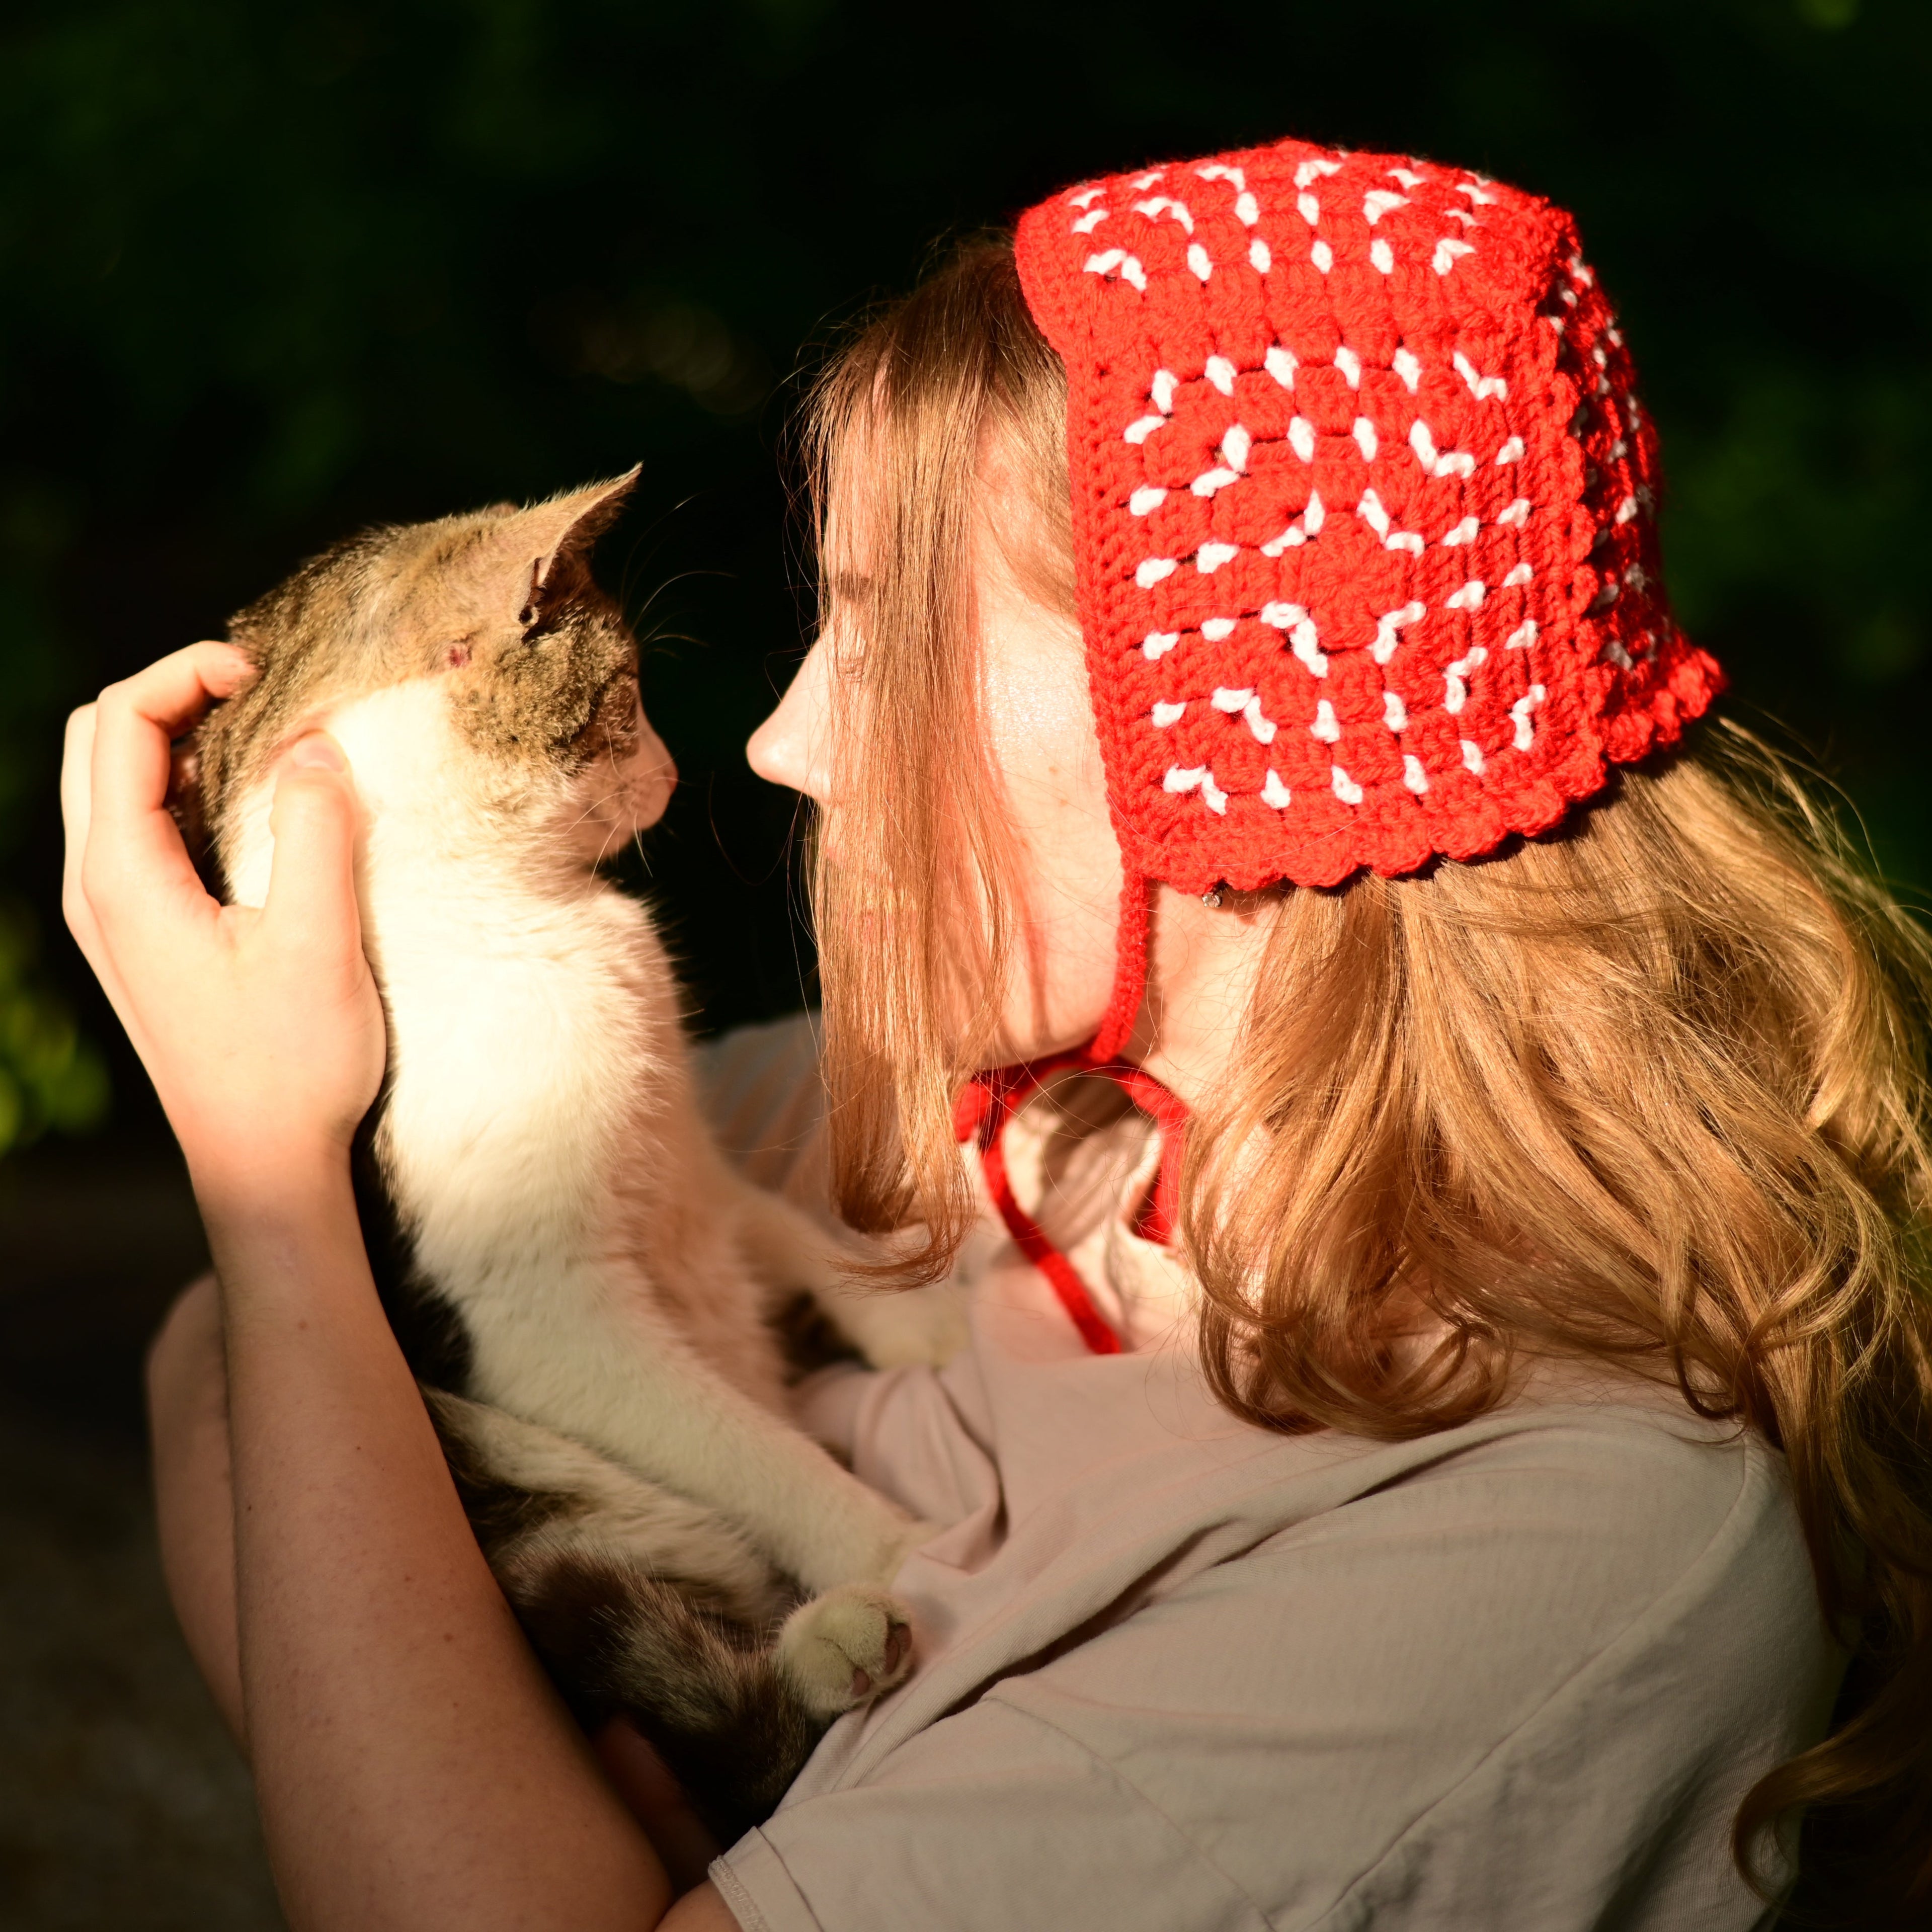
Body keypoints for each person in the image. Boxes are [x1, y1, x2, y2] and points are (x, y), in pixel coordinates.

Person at [60, 135, 1932, 1929]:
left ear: (1230, 737)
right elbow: (220, 1361)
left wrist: (272, 1201)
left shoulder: (1549, 1546)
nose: (785, 745)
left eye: (887, 634)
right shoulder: (994, 1123)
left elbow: (292, 1394)